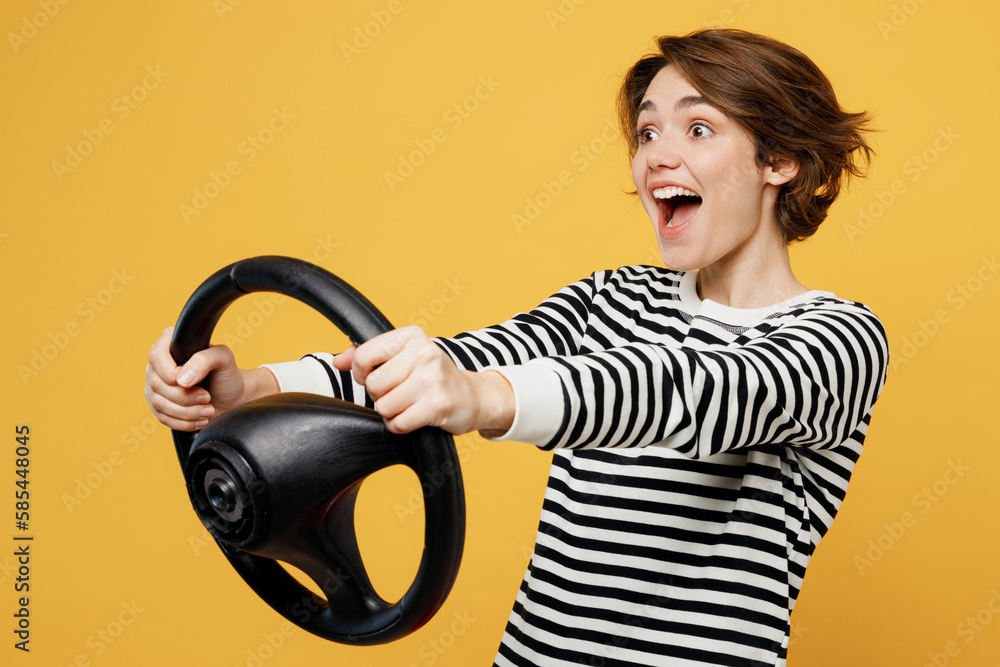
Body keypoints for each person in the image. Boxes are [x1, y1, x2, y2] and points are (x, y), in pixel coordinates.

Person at [146, 28, 888, 667]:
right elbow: (445, 365)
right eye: (647, 131)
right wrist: (253, 388)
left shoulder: (839, 339)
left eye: (697, 129)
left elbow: (692, 391)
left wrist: (488, 398)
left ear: (779, 160)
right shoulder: (611, 297)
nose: (658, 154)